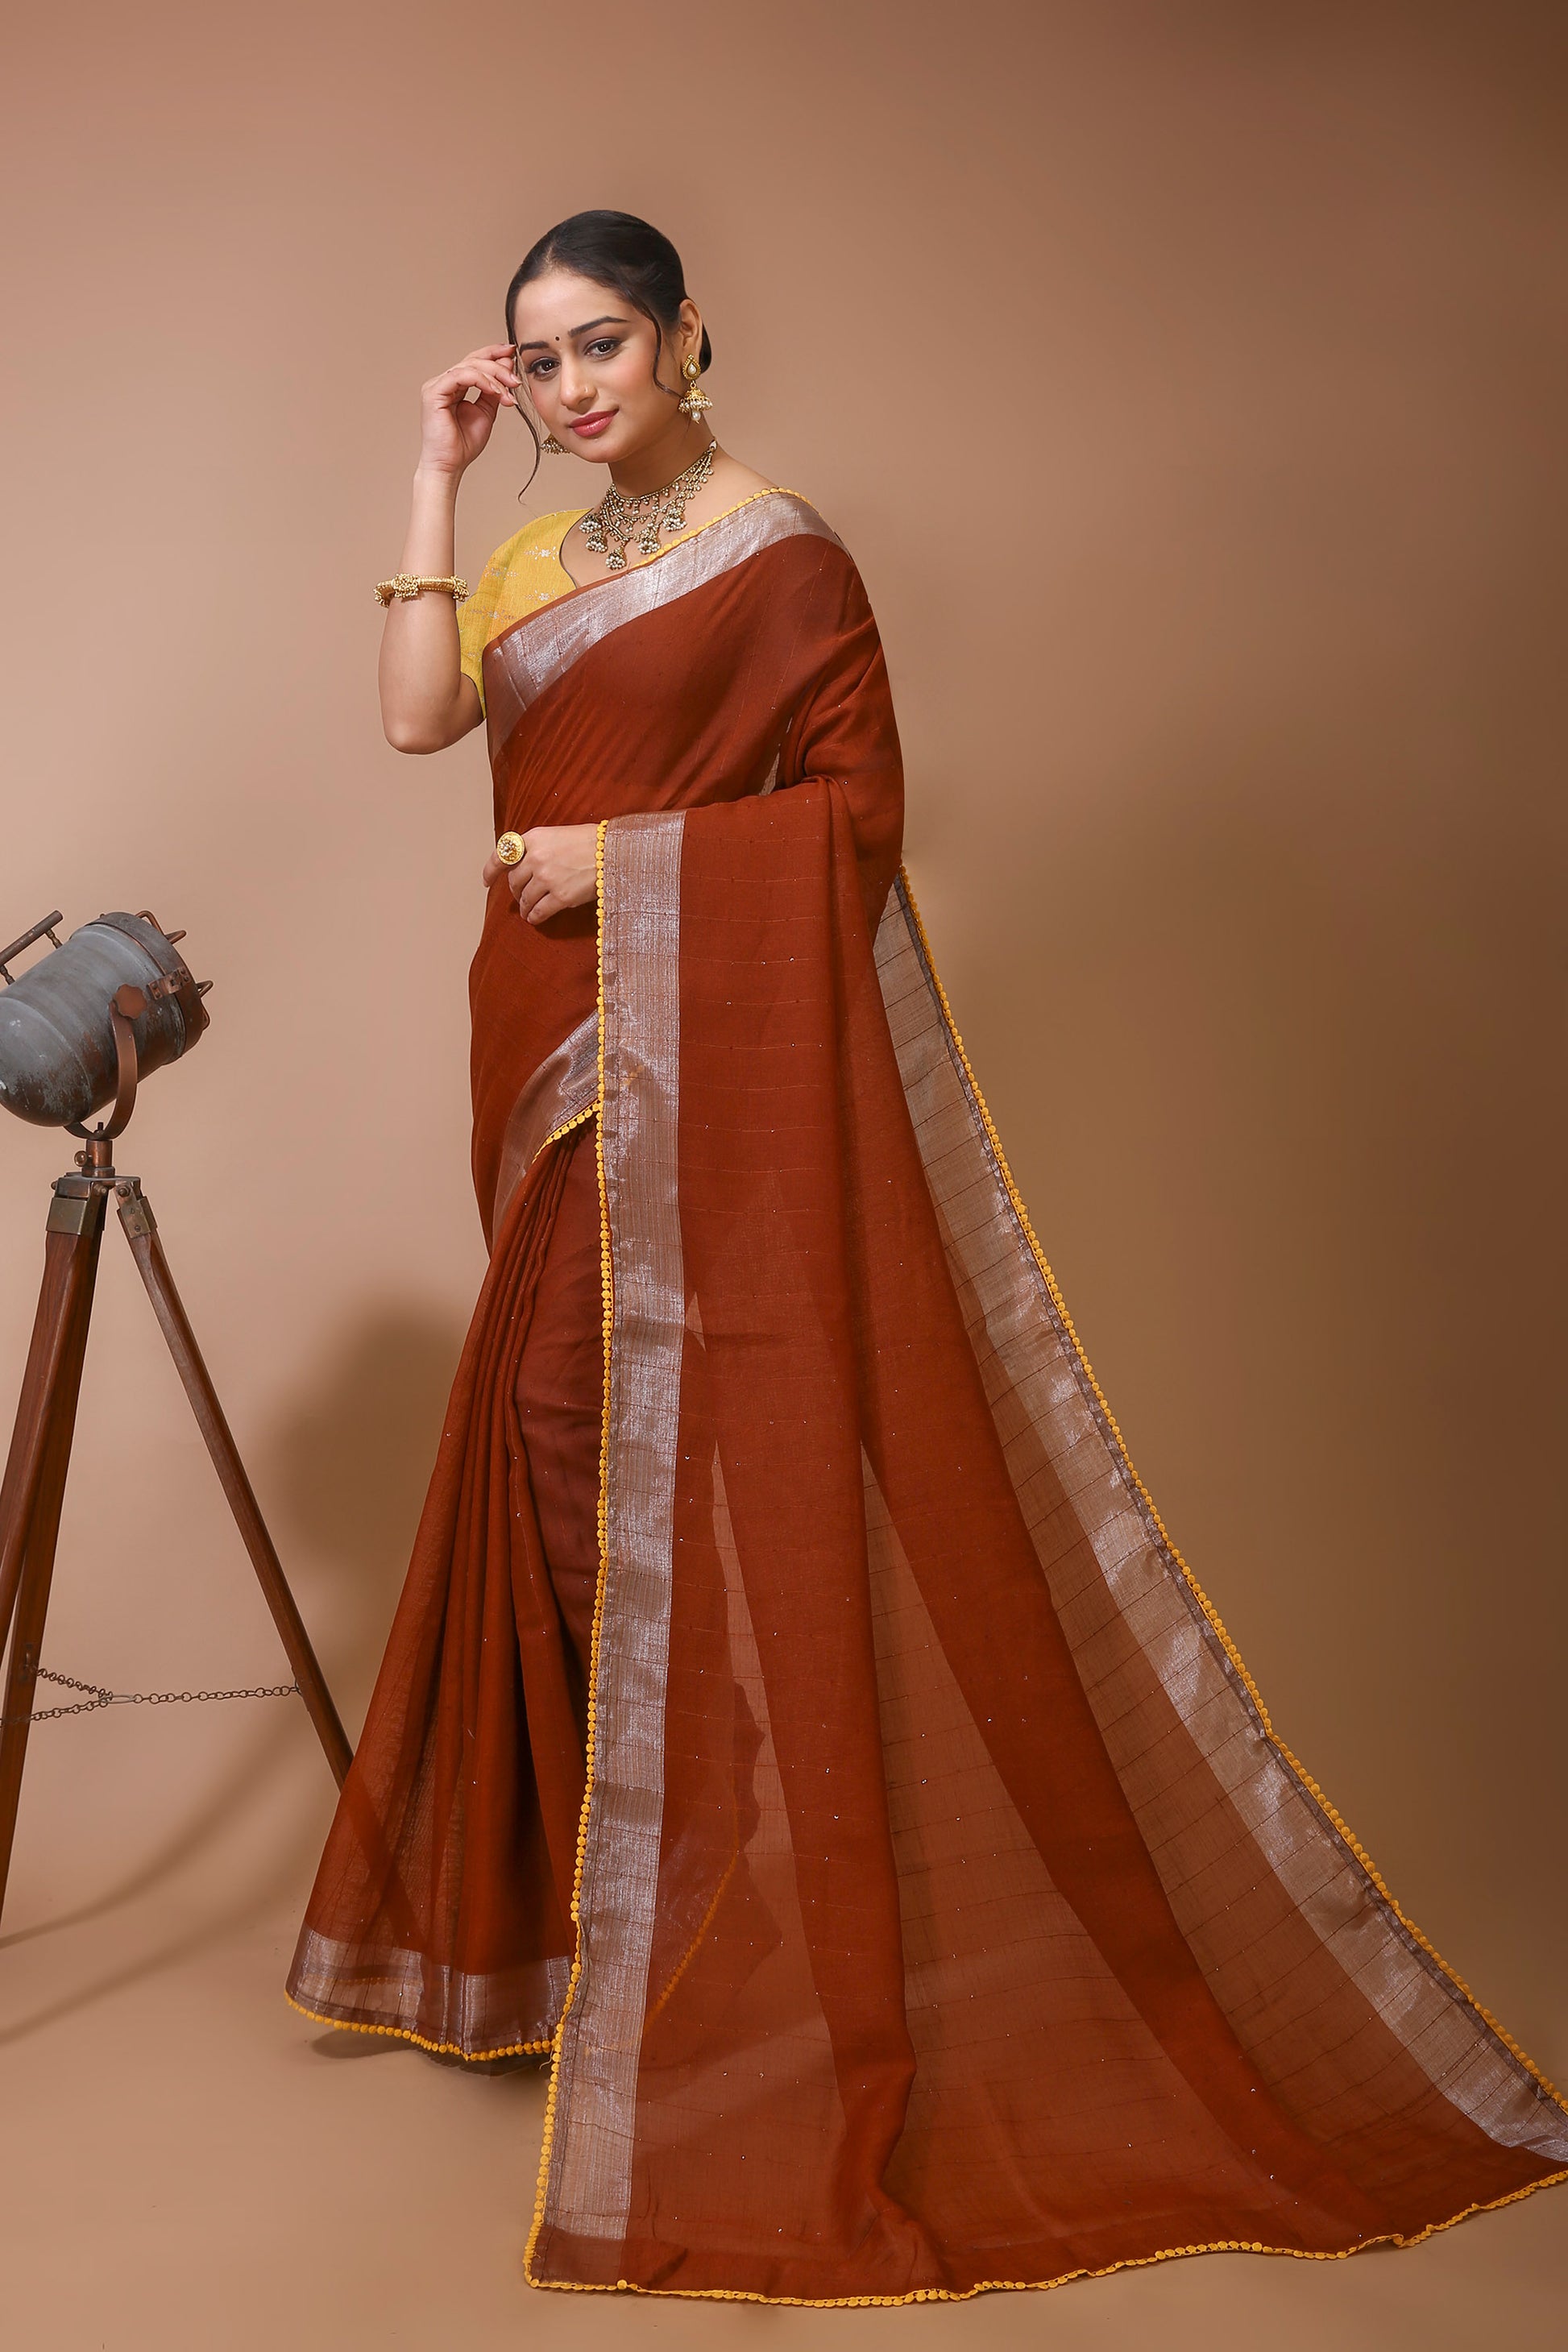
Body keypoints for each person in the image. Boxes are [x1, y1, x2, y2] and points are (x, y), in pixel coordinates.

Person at [287, 211, 1566, 2305]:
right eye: (538, 360)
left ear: (686, 336)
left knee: (647, 1451)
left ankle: (734, 1918)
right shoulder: (525, 561)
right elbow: (422, 724)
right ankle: (637, 1920)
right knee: (557, 1459)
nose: (572, 387)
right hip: (527, 1043)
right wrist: (431, 478)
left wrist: (630, 860)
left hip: (679, 1043)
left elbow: (858, 815)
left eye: (603, 343)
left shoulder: (783, 556)